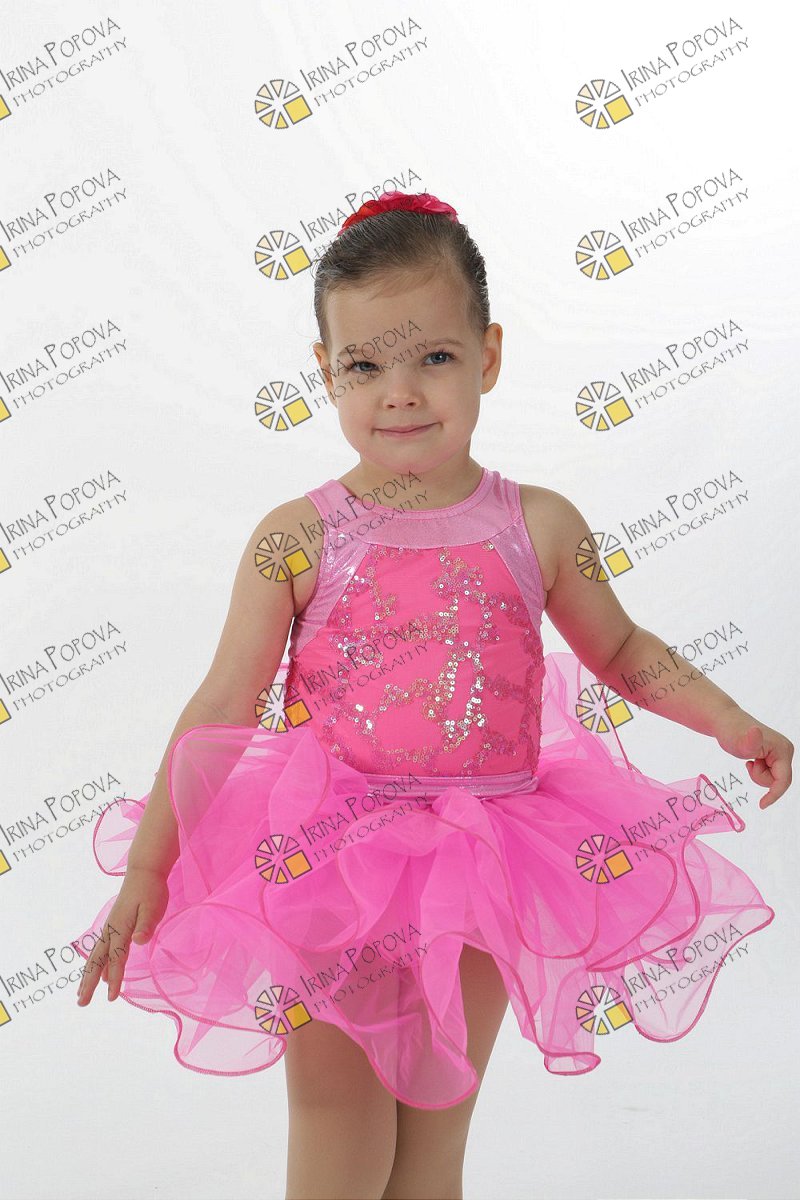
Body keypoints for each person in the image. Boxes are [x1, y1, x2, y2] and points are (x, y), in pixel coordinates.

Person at [72, 190, 793, 1200]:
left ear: (488, 355)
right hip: (328, 858)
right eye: (365, 366)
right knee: (339, 1125)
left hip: (489, 854)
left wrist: (731, 721)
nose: (401, 393)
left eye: (435, 357)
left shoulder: (539, 524)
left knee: (433, 1136)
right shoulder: (298, 537)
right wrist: (153, 859)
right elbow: (223, 705)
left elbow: (623, 649)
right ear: (325, 371)